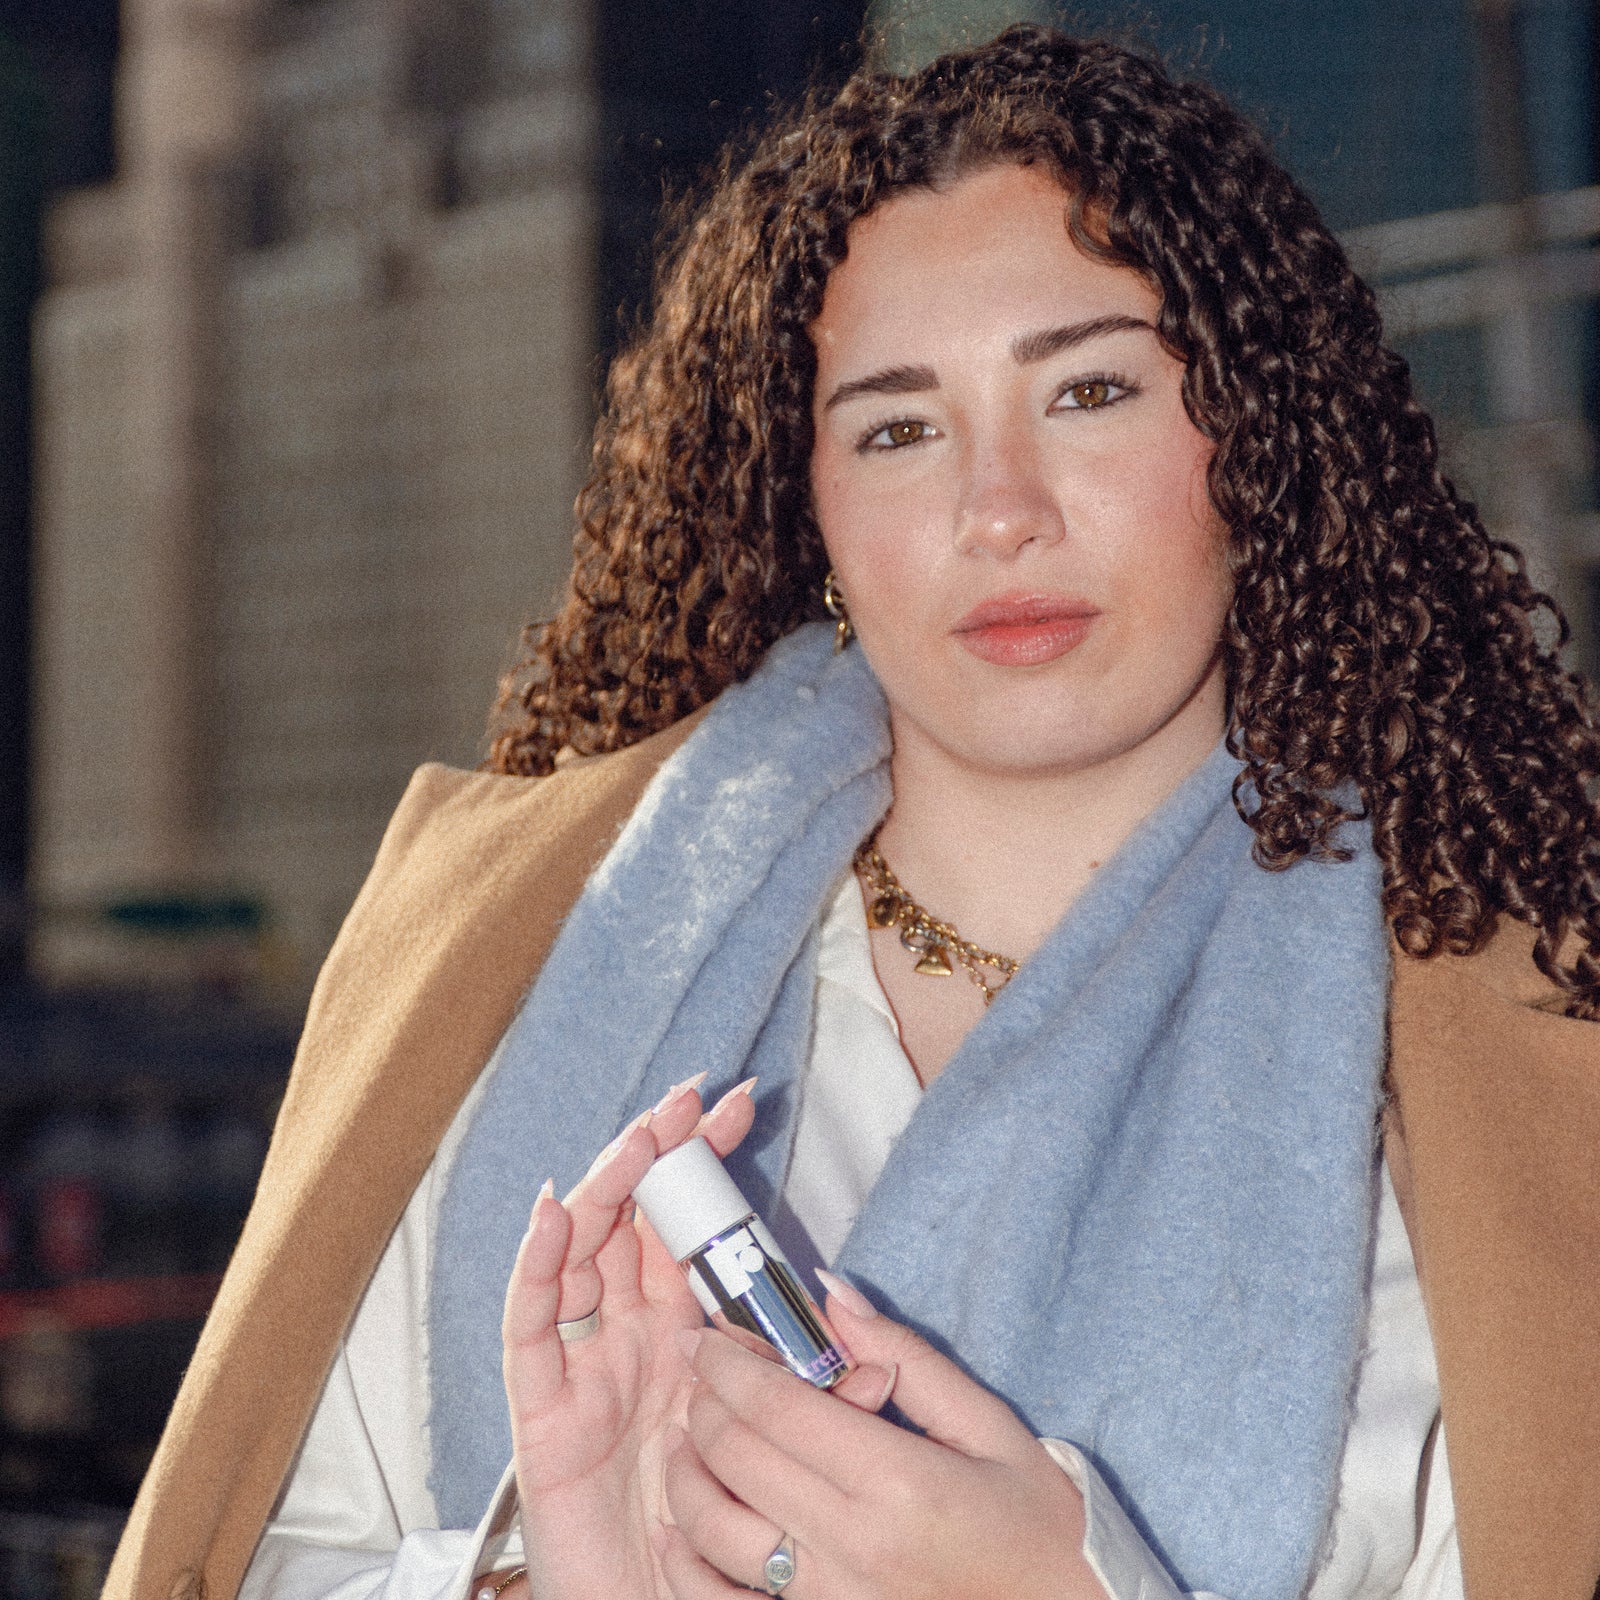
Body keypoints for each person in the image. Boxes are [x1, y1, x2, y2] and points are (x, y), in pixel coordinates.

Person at [104, 25, 1600, 1600]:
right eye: (898, 427)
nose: (999, 508)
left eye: (1089, 392)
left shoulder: (1519, 1037)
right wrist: (547, 1575)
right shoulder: (497, 939)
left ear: (1260, 448)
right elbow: (267, 1556)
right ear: (802, 499)